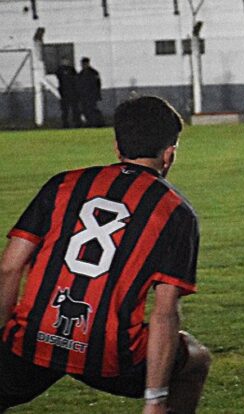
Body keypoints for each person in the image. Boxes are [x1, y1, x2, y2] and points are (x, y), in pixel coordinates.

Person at [0, 96, 212, 413]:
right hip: (110, 353)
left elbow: (9, 267)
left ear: (117, 147)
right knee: (196, 359)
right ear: (169, 154)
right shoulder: (175, 212)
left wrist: (4, 335)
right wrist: (155, 398)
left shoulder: (63, 184)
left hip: (34, 337)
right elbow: (165, 312)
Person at [77, 57, 104, 127]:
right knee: (85, 110)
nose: (83, 65)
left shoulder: (94, 73)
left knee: (92, 110)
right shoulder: (80, 74)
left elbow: (98, 85)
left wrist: (97, 95)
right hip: (84, 96)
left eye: (84, 64)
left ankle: (95, 123)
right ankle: (89, 123)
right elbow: (78, 86)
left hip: (92, 95)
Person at [54, 58, 81, 128]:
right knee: (65, 111)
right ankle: (65, 124)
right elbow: (58, 75)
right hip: (64, 94)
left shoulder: (71, 70)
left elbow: (75, 79)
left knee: (75, 109)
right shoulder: (60, 70)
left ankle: (77, 123)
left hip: (72, 94)